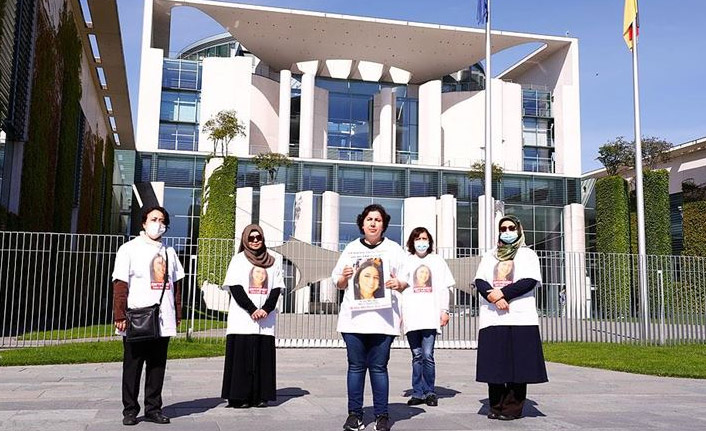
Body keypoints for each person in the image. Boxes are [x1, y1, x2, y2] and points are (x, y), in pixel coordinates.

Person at [332, 204, 405, 431]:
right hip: (354, 321)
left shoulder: (394, 249)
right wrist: (344, 278)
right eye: (369, 219)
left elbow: (406, 280)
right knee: (355, 367)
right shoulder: (351, 250)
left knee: (378, 367)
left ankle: (382, 415)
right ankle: (354, 414)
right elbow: (338, 282)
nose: (373, 223)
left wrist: (398, 283)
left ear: (384, 224)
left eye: (378, 220)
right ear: (362, 223)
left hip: (383, 321)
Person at [112, 206, 184, 426]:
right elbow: (120, 284)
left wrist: (178, 313)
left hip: (163, 318)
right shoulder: (129, 249)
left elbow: (177, 286)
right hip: (137, 317)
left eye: (162, 220)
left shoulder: (169, 252)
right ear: (143, 223)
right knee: (133, 366)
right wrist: (119, 314)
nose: (158, 223)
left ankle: (154, 408)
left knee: (157, 366)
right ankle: (130, 410)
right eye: (153, 219)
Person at [474, 215, 548, 421]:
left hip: (519, 318)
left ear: (519, 229)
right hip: (493, 317)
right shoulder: (490, 256)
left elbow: (529, 281)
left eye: (511, 227)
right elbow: (480, 280)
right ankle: (496, 405)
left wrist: (503, 294)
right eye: (503, 228)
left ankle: (512, 408)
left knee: (518, 365)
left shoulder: (528, 254)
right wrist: (492, 295)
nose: (507, 231)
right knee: (495, 364)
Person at [221, 224, 285, 409]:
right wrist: (251, 309)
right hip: (243, 318)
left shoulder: (273, 261)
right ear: (245, 240)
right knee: (241, 357)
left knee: (262, 358)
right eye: (251, 238)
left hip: (265, 319)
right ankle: (238, 397)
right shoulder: (238, 260)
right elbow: (235, 287)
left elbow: (276, 287)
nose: (255, 241)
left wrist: (266, 308)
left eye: (259, 238)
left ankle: (260, 396)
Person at [399, 227, 454, 407]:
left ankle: (430, 391)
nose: (421, 242)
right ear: (412, 242)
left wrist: (445, 310)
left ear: (429, 241)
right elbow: (399, 290)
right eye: (418, 238)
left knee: (428, 355)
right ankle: (417, 392)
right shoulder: (406, 261)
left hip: (430, 316)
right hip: (411, 315)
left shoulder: (437, 261)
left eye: (424, 238)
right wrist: (399, 314)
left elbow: (445, 288)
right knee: (416, 355)